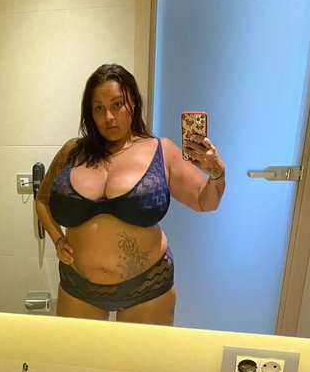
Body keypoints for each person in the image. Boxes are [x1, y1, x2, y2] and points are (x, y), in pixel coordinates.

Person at [36, 63, 225, 325]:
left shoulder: (161, 150)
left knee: (142, 354)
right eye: (99, 108)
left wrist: (216, 172)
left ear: (133, 103)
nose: (108, 117)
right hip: (77, 285)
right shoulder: (73, 151)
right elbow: (42, 201)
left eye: (117, 105)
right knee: (78, 353)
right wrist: (58, 240)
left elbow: (205, 201)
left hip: (147, 287)